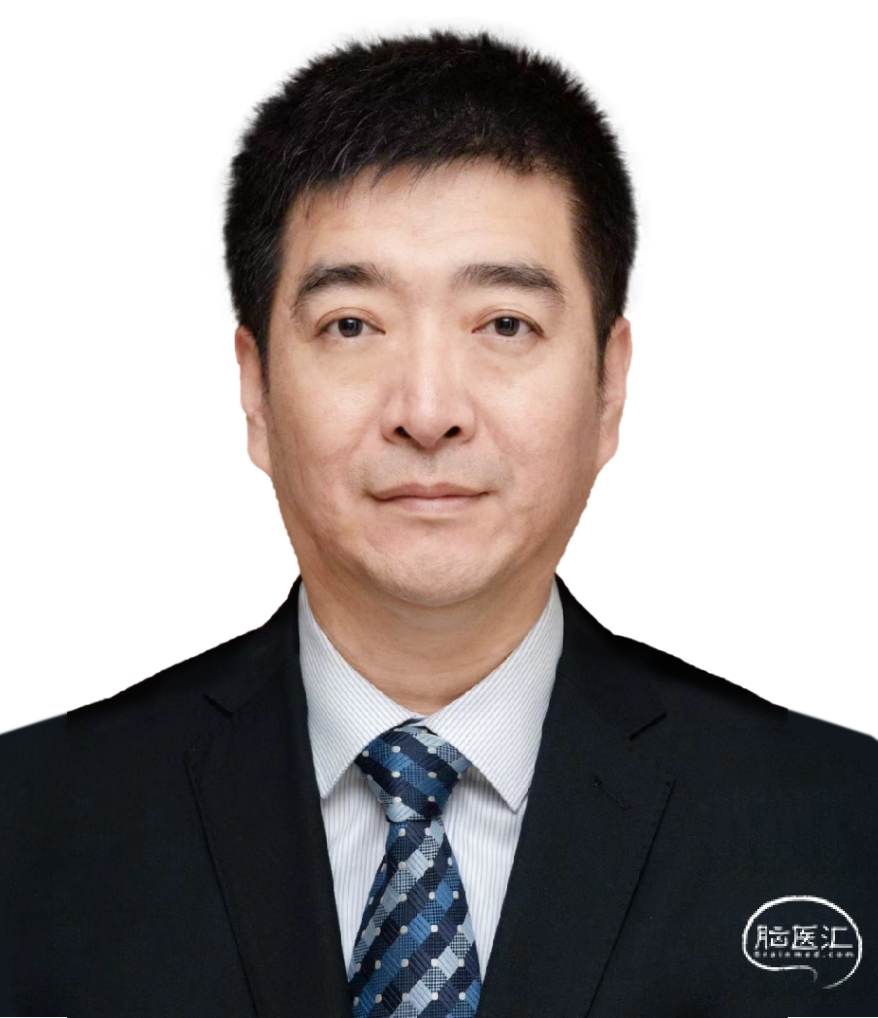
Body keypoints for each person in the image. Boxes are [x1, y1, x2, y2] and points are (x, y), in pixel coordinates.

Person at [1, 18, 874, 1018]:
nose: (426, 410)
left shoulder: (840, 816)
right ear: (253, 389)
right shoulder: (27, 819)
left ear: (611, 385)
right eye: (351, 324)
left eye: (504, 322)